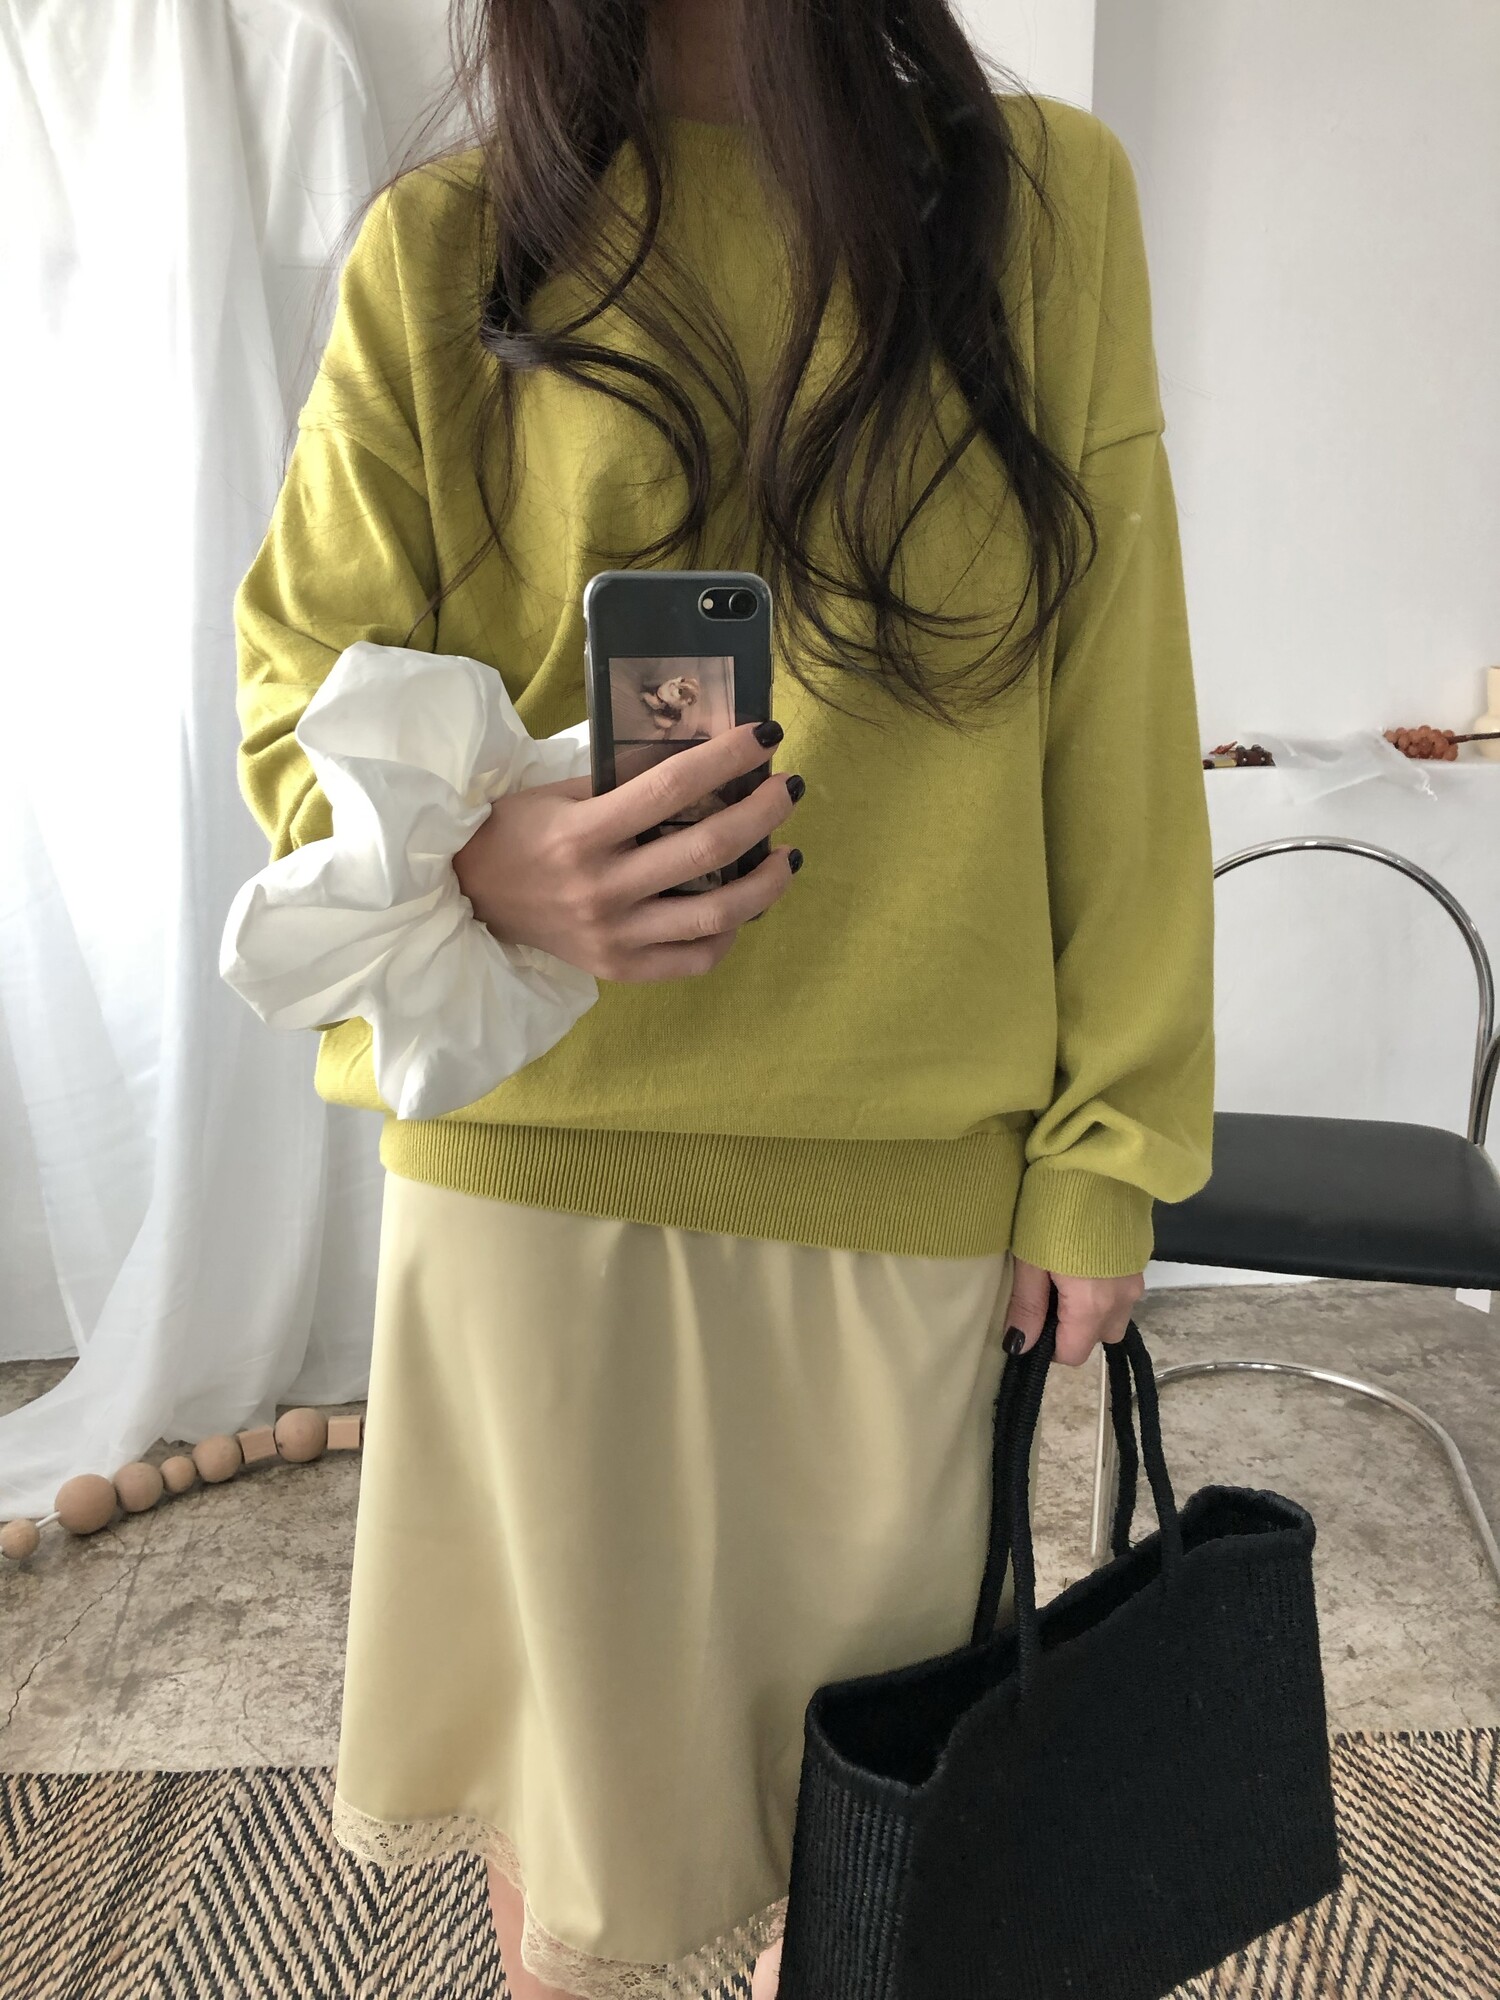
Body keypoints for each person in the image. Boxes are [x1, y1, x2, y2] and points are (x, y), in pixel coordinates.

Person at [230, 0, 1215, 1993]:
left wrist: (1108, 1142)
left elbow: (1117, 706)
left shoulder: (1045, 209)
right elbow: (296, 696)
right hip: (531, 1182)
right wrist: (482, 853)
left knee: (874, 1840)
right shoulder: (446, 246)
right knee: (571, 1838)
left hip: (901, 1174)